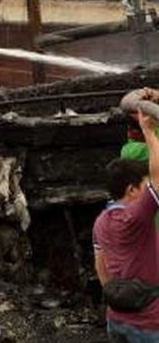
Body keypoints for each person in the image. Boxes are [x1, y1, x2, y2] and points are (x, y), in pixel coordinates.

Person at [94, 100, 159, 340]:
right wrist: (149, 131)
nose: (147, 189)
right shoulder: (137, 216)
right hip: (149, 326)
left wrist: (119, 298)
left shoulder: (101, 220)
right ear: (132, 190)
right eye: (143, 186)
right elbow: (158, 175)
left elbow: (100, 265)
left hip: (116, 319)